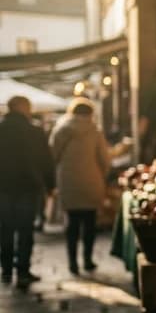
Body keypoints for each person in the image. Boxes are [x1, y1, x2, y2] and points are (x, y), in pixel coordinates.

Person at [50, 98, 111, 274]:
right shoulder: (95, 131)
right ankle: (87, 260)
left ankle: (72, 262)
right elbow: (105, 160)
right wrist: (103, 176)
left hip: (68, 181)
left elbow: (52, 155)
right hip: (92, 180)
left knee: (72, 223)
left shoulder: (61, 130)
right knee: (90, 222)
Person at [0, 96, 56, 287]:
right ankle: (23, 271)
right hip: (27, 187)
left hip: (3, 188)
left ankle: (6, 270)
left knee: (5, 230)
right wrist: (50, 185)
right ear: (23, 108)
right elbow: (46, 161)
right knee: (25, 230)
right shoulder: (34, 132)